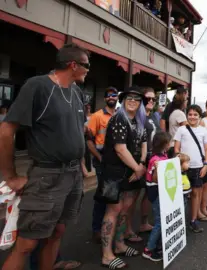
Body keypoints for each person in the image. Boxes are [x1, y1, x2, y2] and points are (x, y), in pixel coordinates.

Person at [0, 43, 89, 270]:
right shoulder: (37, 86)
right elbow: (6, 131)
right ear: (72, 65)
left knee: (57, 232)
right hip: (47, 175)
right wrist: (11, 177)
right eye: (86, 65)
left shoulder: (77, 92)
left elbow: (78, 131)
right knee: (28, 242)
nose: (88, 70)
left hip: (73, 174)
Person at [96, 86, 148, 269]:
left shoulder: (140, 121)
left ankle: (118, 244)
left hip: (132, 171)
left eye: (136, 98)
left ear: (140, 103)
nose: (132, 101)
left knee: (126, 209)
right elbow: (120, 148)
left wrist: (140, 164)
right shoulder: (119, 118)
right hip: (115, 172)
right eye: (129, 98)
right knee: (113, 210)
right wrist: (138, 168)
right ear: (123, 101)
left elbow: (144, 143)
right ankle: (107, 255)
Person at [173, 105, 207, 233]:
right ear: (187, 115)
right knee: (179, 195)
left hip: (198, 167)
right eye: (190, 114)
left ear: (199, 116)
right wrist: (179, 161)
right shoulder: (181, 130)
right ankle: (177, 222)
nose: (192, 117)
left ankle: (193, 220)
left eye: (195, 114)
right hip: (183, 168)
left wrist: (206, 164)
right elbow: (176, 148)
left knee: (195, 194)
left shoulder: (203, 131)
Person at [87, 86, 118, 243]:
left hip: (117, 162)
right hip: (102, 161)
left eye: (114, 95)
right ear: (105, 98)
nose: (112, 97)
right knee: (102, 196)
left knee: (114, 195)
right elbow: (89, 141)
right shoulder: (96, 116)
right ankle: (96, 229)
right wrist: (99, 157)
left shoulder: (120, 115)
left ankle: (109, 227)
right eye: (109, 95)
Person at [142, 131, 171, 262]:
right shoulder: (156, 160)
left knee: (162, 219)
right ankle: (149, 249)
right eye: (169, 142)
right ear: (164, 144)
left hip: (160, 192)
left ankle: (158, 244)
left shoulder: (162, 156)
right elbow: (155, 179)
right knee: (159, 221)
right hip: (156, 193)